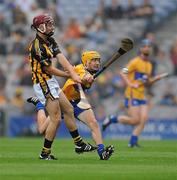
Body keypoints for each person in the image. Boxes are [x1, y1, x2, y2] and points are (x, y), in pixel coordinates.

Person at [28, 14, 96, 160]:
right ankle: (44, 154)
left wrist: (75, 75)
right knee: (56, 119)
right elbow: (49, 69)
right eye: (49, 24)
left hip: (50, 81)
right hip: (43, 83)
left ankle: (79, 144)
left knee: (69, 110)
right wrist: (70, 76)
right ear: (41, 27)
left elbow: (62, 59)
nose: (52, 27)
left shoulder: (50, 40)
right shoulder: (37, 46)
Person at [102, 39, 165, 147]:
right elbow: (123, 72)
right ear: (141, 48)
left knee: (144, 118)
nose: (147, 48)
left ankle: (133, 141)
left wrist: (156, 79)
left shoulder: (149, 65)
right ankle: (112, 119)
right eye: (145, 46)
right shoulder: (135, 61)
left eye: (149, 46)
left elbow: (146, 82)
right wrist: (130, 84)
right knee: (135, 120)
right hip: (132, 94)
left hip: (141, 94)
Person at [62, 51, 114, 160]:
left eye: (98, 60)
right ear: (86, 62)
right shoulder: (81, 68)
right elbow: (83, 76)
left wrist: (89, 77)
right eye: (93, 60)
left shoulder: (90, 72)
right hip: (63, 101)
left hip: (76, 101)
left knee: (94, 123)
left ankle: (102, 152)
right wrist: (87, 78)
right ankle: (39, 105)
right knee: (44, 128)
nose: (97, 63)